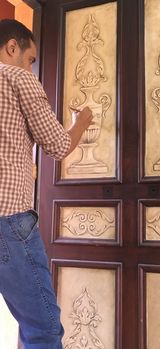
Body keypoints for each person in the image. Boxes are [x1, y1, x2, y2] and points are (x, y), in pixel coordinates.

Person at [0, 19, 93, 348]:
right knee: (42, 328)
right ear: (13, 46)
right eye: (30, 59)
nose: (30, 66)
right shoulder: (16, 77)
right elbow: (58, 146)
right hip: (8, 218)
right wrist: (80, 122)